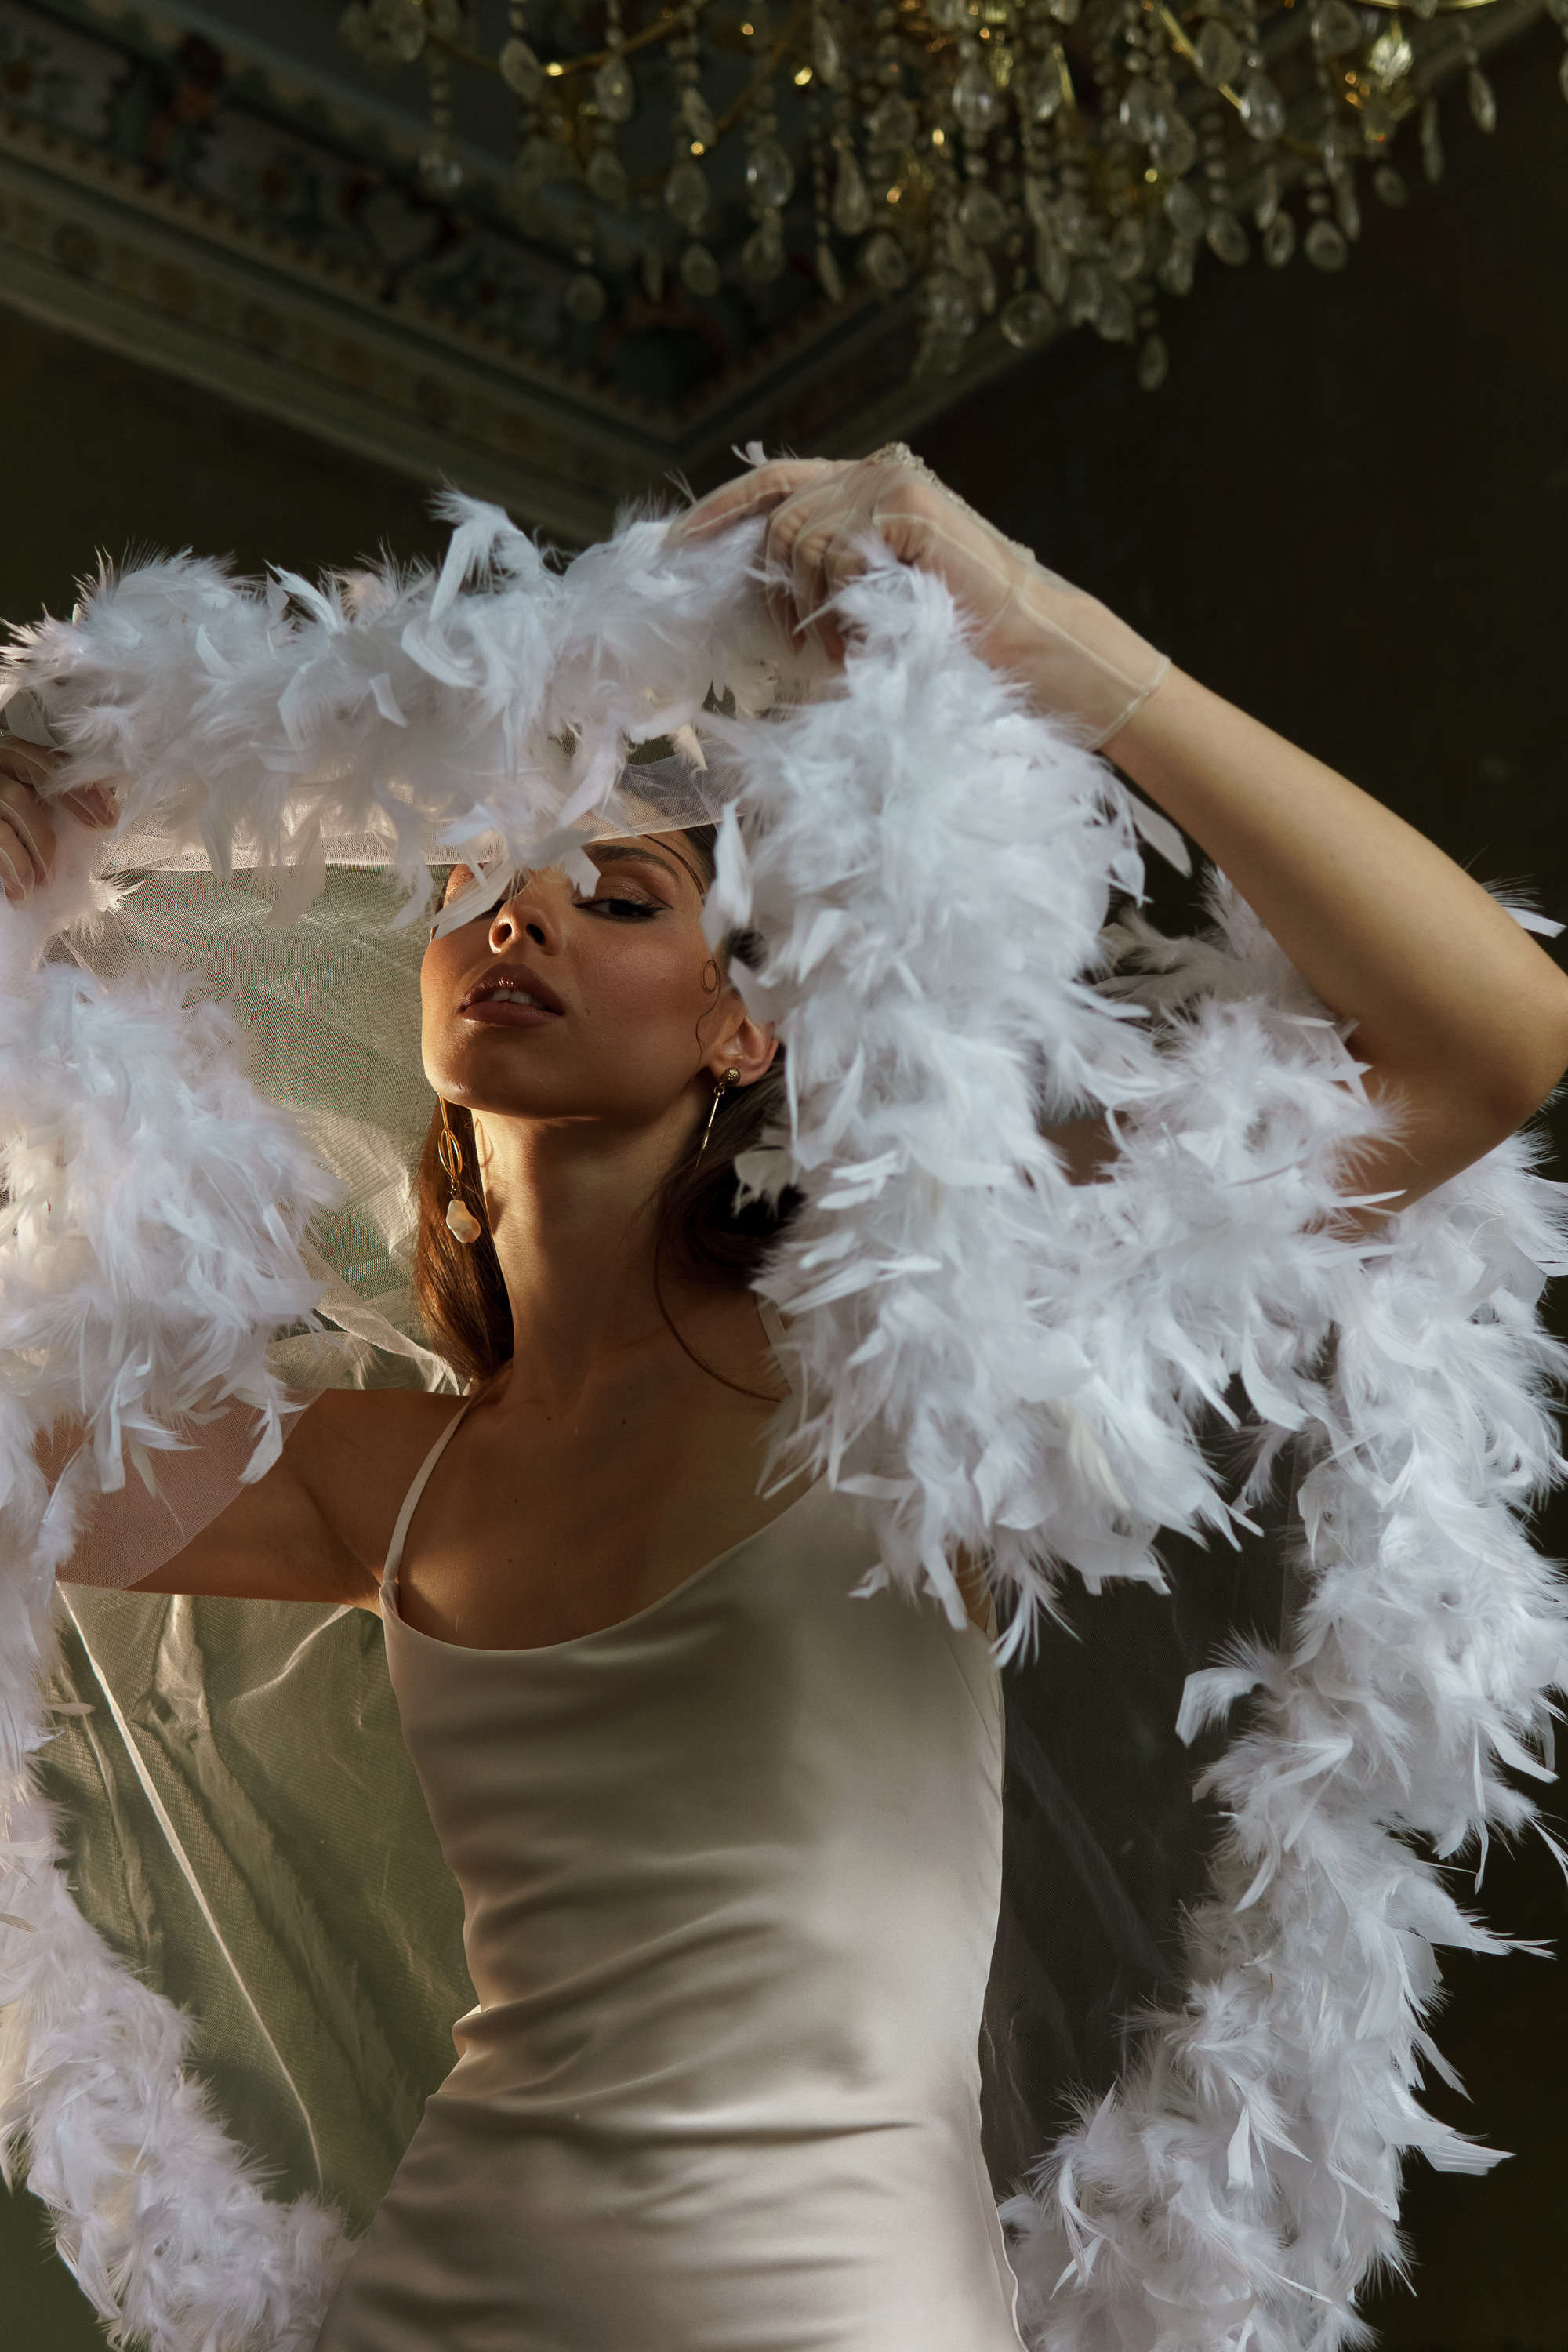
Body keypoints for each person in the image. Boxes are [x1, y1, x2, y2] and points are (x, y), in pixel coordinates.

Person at [6, 452, 1567, 2351]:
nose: (520, 917)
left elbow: (1482, 1038)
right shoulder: (376, 1481)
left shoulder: (910, 1332)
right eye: (472, 887)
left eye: (616, 892)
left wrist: (1037, 626)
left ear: (744, 1021)